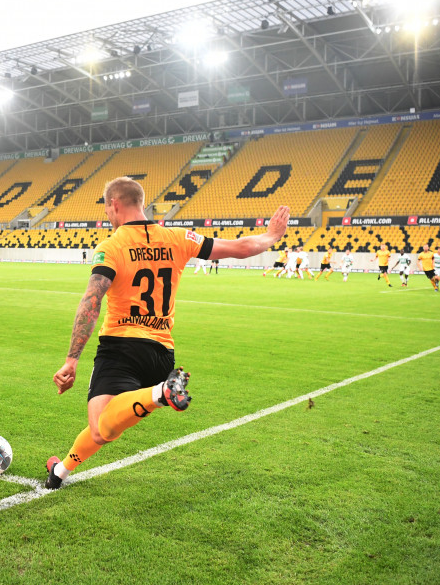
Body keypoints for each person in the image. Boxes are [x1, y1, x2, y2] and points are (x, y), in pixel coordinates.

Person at [44, 177, 289, 489]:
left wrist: (71, 359)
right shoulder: (178, 237)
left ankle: (161, 393)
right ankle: (60, 472)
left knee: (101, 429)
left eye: (107, 208)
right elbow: (239, 248)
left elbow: (92, 300)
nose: (107, 214)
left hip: (121, 347)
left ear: (115, 205)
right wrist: (271, 235)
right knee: (105, 425)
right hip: (161, 354)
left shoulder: (112, 246)